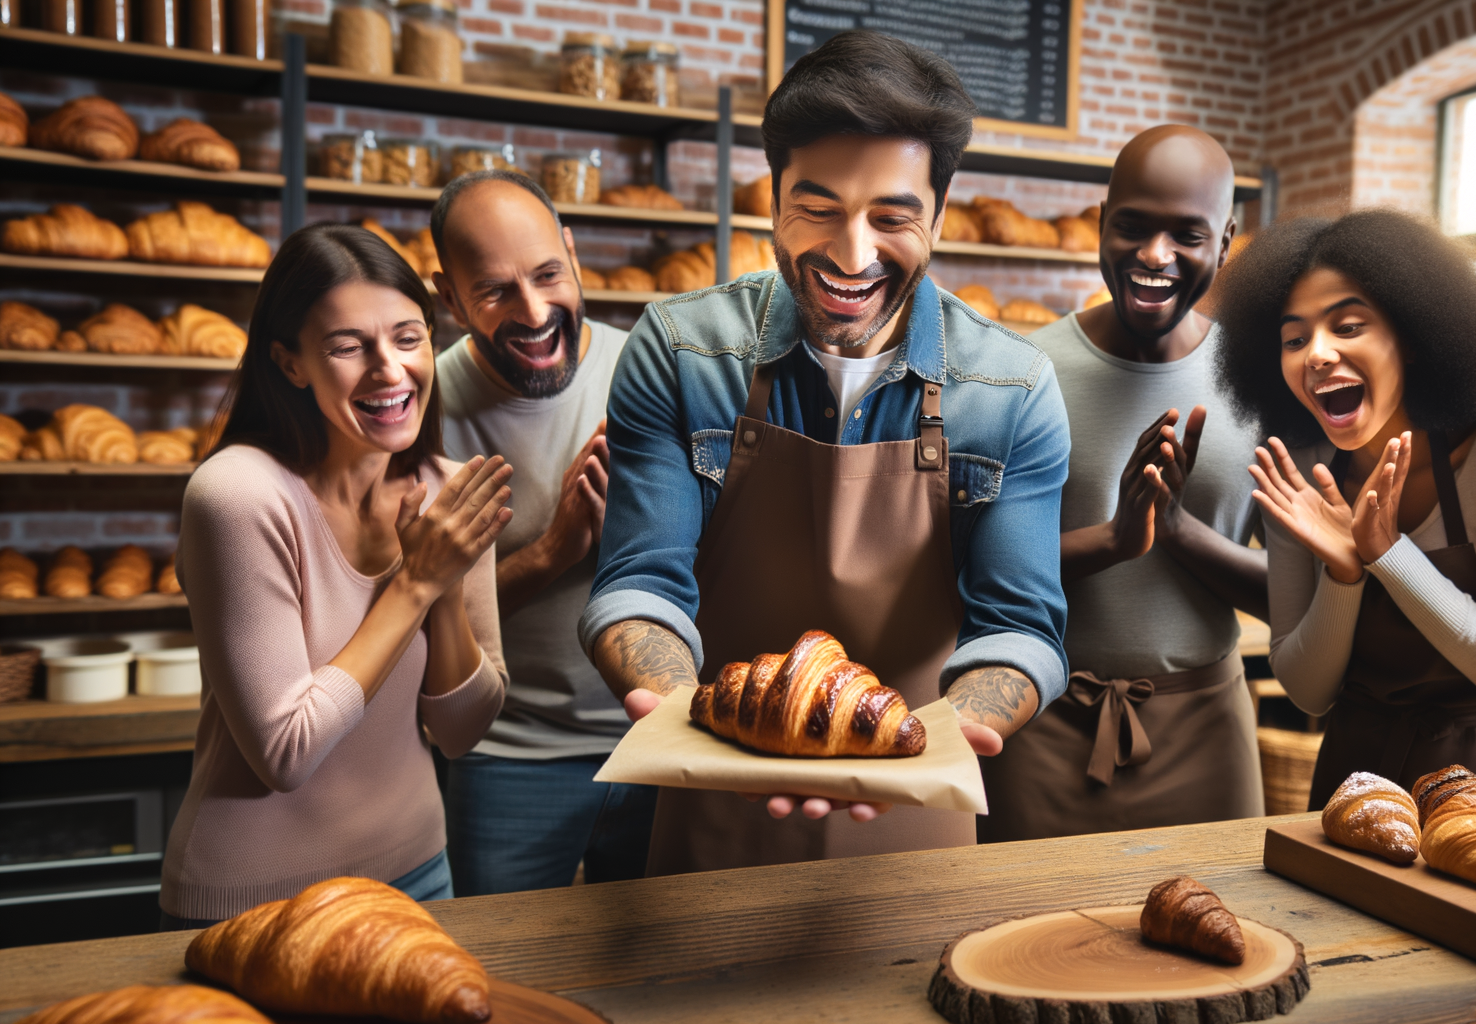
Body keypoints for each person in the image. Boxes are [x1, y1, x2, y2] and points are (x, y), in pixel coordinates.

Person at [581, 30, 1071, 875]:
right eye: (819, 207)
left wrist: (948, 734)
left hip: (910, 797)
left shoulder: (1012, 388)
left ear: (940, 216)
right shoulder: (678, 351)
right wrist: (681, 708)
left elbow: (1021, 626)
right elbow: (639, 583)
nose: (853, 254)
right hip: (710, 789)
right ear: (773, 199)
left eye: (892, 216)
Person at [161, 223, 513, 927]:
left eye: (408, 338)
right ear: (290, 364)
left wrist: (440, 588)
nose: (389, 370)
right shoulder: (238, 495)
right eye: (348, 348)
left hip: (418, 878)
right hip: (253, 901)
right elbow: (285, 752)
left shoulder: (449, 491)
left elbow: (461, 730)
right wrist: (414, 584)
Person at [1212, 209, 1476, 808]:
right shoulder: (1301, 471)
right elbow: (1308, 692)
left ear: (1413, 332)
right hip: (1354, 782)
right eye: (1294, 339)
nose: (1317, 354)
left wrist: (1389, 554)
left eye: (1347, 327)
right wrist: (1344, 573)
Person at [979, 125, 1268, 842]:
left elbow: (1296, 594)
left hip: (1208, 725)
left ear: (1226, 241)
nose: (1154, 256)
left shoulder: (1265, 383)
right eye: (1132, 227)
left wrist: (1177, 532)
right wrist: (1114, 539)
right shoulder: (1021, 370)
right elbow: (978, 574)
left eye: (1187, 234)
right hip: (1035, 721)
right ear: (1102, 223)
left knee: (1228, 938)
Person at [429, 171, 655, 894]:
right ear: (449, 297)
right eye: (495, 291)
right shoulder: (422, 408)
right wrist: (556, 551)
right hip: (507, 758)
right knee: (500, 982)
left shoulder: (650, 373)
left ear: (572, 253)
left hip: (660, 742)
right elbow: (409, 612)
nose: (533, 311)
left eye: (548, 275)